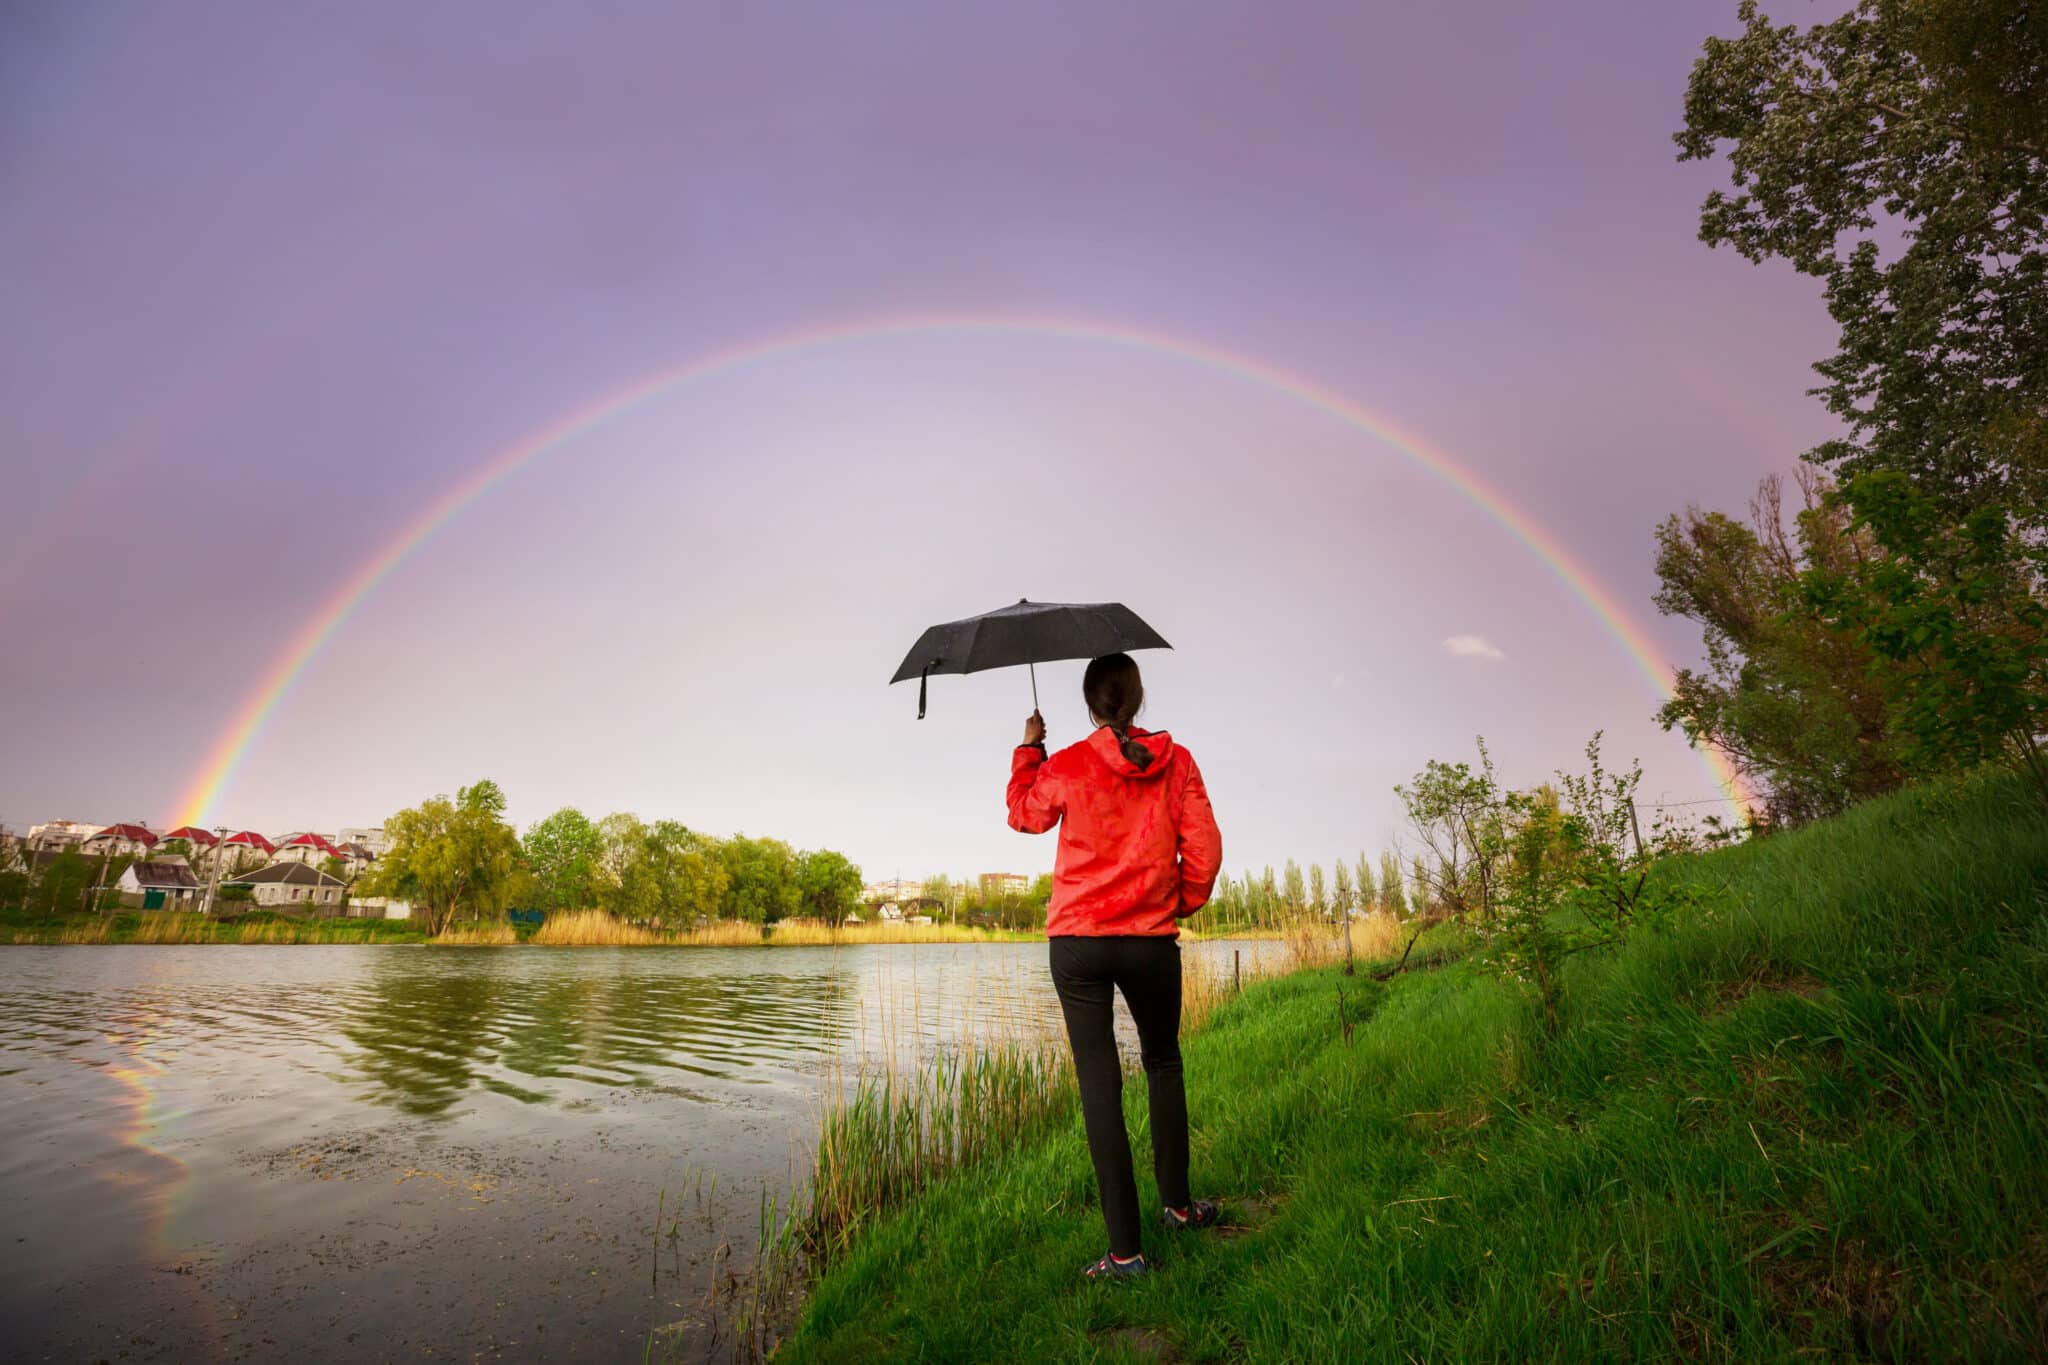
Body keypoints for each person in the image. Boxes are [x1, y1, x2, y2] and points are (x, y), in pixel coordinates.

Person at [1006, 652, 1225, 1280]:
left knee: (1099, 1083)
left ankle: (1125, 1253)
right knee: (1163, 1062)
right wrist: (1173, 902)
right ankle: (1179, 1209)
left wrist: (1029, 750)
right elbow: (1204, 851)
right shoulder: (1177, 761)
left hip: (1078, 942)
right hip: (1150, 941)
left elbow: (1024, 813)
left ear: (1089, 704)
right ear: (1138, 697)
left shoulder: (1068, 763)